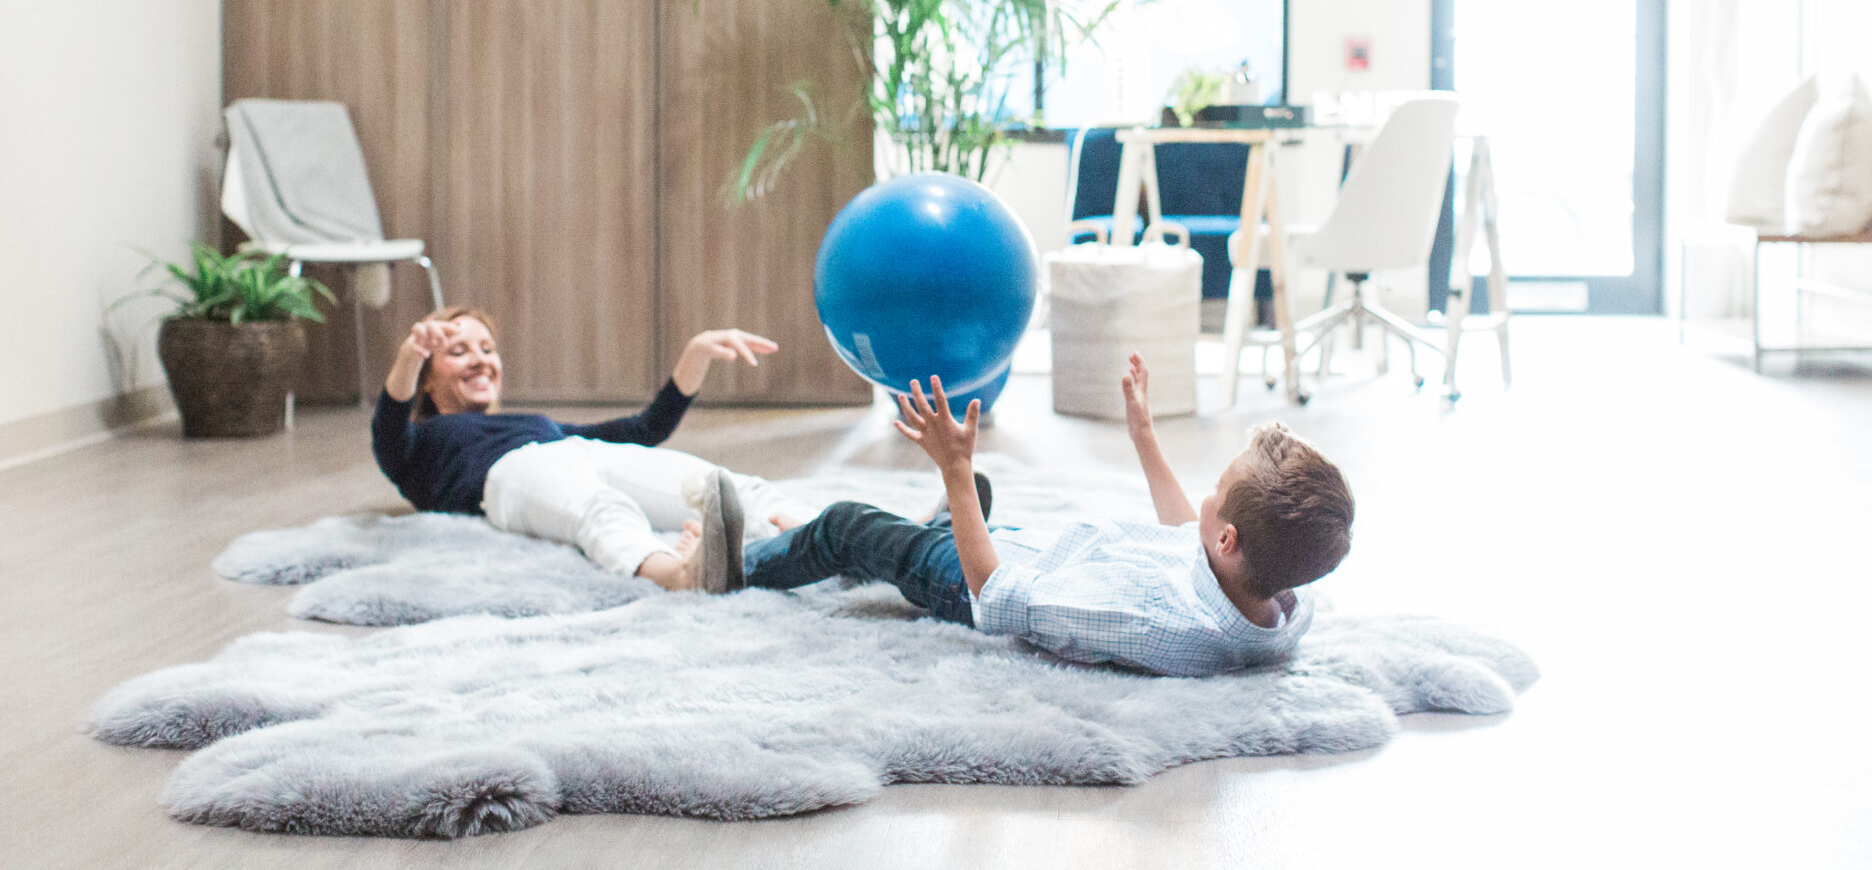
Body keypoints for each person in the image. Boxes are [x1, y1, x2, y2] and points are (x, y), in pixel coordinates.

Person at [735, 353, 1355, 678]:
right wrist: (1142, 435)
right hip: (1034, 551)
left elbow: (996, 596)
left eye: (1217, 487)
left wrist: (952, 468)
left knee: (849, 523)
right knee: (957, 510)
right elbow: (1187, 540)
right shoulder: (1279, 600)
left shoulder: (1142, 617)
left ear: (1228, 539)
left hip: (967, 581)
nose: (1208, 492)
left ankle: (735, 563)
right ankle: (916, 533)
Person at [372, 306, 816, 593]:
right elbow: (387, 431)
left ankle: (818, 533)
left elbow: (645, 429)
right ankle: (681, 575)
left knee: (718, 485)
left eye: (487, 348)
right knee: (602, 508)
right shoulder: (423, 445)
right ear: (426, 379)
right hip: (510, 475)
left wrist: (695, 354)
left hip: (575, 449)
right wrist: (411, 354)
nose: (480, 359)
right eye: (457, 351)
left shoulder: (537, 424)